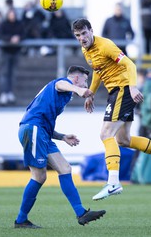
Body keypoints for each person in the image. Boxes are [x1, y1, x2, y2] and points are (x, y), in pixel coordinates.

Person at [71, 18, 151, 201]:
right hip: (116, 91)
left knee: (106, 134)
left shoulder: (106, 45)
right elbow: (99, 70)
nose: (82, 38)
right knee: (123, 140)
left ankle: (113, 182)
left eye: (84, 33)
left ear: (91, 30)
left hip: (123, 89)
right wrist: (91, 92)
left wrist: (132, 86)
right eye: (78, 35)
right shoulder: (86, 50)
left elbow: (130, 64)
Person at [15, 65, 106, 228]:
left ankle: (81, 213)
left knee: (65, 168)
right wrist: (78, 91)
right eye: (85, 81)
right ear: (76, 79)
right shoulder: (62, 84)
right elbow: (60, 84)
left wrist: (62, 137)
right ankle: (21, 220)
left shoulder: (62, 95)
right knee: (39, 176)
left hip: (41, 132)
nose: (86, 85)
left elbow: (45, 123)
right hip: (33, 129)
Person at [0, 9, 25, 105]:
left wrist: (18, 38)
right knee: (5, 74)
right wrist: (10, 39)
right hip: (5, 52)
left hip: (15, 52)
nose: (12, 16)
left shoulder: (19, 24)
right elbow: (0, 36)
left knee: (13, 74)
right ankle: (4, 93)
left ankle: (10, 93)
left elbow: (24, 34)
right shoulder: (3, 24)